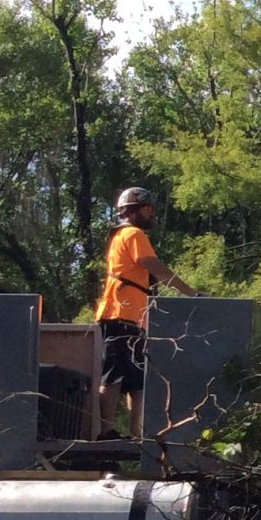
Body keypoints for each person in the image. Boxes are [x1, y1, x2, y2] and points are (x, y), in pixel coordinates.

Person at [93, 186, 201, 439]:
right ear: (133, 211)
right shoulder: (133, 233)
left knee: (136, 381)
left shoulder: (125, 235)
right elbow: (154, 266)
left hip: (133, 317)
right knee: (114, 374)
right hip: (119, 313)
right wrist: (191, 293)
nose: (152, 215)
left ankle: (136, 433)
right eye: (148, 210)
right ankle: (106, 431)